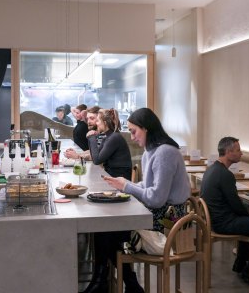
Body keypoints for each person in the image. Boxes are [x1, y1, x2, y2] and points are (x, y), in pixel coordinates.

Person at [101, 108, 191, 293]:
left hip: (171, 222)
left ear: (147, 128)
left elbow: (156, 199)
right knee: (104, 232)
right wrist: (125, 183)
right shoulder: (150, 152)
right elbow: (149, 187)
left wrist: (126, 187)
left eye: (134, 131)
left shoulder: (165, 152)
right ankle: (128, 285)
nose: (132, 137)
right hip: (160, 215)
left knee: (106, 234)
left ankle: (125, 284)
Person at [200, 137, 249, 286]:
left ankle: (241, 265)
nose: (241, 153)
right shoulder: (225, 175)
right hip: (223, 223)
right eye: (238, 150)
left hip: (213, 220)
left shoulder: (211, 169)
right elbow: (236, 204)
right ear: (229, 152)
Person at [80, 109, 140, 293]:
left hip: (119, 191)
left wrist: (90, 137)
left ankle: (103, 281)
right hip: (114, 187)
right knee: (105, 235)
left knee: (105, 234)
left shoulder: (113, 137)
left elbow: (98, 158)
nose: (94, 123)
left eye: (97, 120)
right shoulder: (109, 136)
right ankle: (123, 283)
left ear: (104, 121)